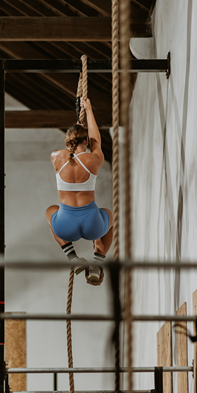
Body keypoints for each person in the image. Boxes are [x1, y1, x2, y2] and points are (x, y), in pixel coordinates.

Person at [46, 97, 113, 283]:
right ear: (86, 141)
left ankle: (72, 257)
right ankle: (97, 263)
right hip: (93, 226)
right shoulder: (94, 159)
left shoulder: (56, 157)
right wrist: (89, 110)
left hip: (65, 227)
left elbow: (74, 149)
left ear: (67, 143)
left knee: (50, 211)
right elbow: (96, 142)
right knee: (109, 216)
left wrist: (76, 131)